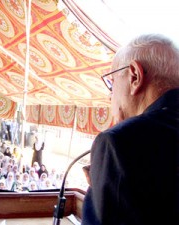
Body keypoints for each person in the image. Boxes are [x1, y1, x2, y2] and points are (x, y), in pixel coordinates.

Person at [81, 34, 179, 225]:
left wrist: (99, 186)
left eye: (112, 83)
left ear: (135, 75)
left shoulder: (119, 142)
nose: (110, 95)